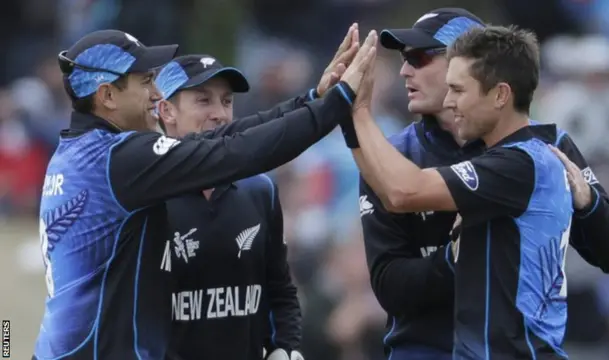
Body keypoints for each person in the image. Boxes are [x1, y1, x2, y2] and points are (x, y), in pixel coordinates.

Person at [34, 25, 370, 359]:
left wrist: (311, 101)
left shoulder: (84, 152)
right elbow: (236, 153)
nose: (155, 94)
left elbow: (218, 141)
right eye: (145, 82)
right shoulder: (118, 160)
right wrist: (336, 104)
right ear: (107, 96)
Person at [357, 8, 609, 359]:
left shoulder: (541, 150)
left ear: (474, 63)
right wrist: (454, 260)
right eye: (403, 59)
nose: (404, 70)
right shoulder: (393, 157)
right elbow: (390, 288)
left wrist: (589, 204)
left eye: (419, 57)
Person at [154, 54, 303, 360]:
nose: (220, 114)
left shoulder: (259, 189)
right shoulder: (146, 196)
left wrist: (284, 348)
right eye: (203, 101)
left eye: (226, 101)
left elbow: (279, 287)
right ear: (166, 110)